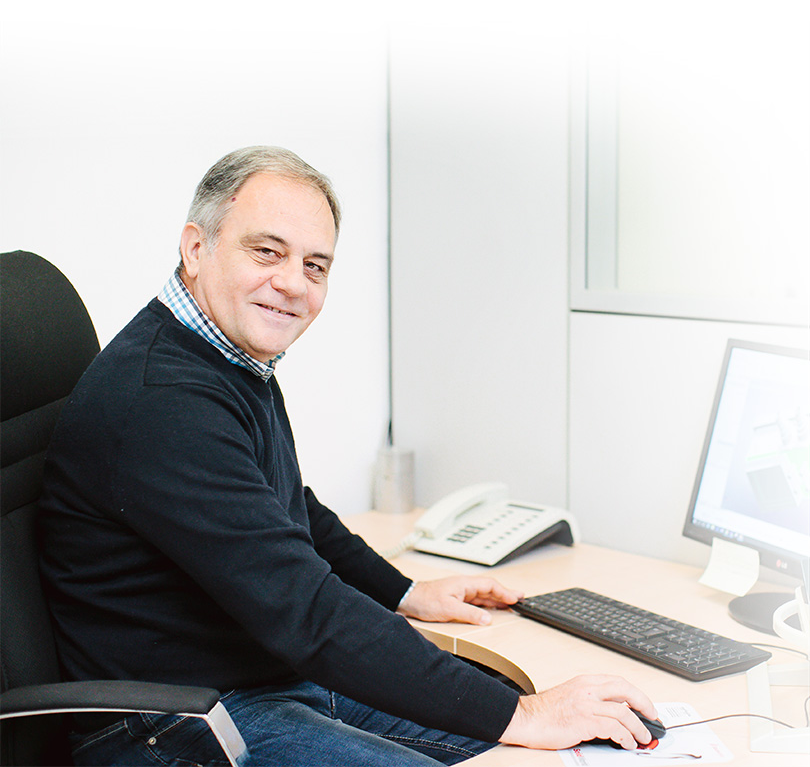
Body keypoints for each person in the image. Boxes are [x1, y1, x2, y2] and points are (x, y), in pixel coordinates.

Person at [39, 146, 657, 766]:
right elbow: (307, 609)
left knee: (552, 739)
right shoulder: (165, 402)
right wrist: (521, 714)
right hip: (174, 722)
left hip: (261, 678)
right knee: (515, 719)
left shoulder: (226, 355)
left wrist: (406, 592)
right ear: (196, 249)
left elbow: (288, 508)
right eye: (267, 252)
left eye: (315, 266)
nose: (292, 284)